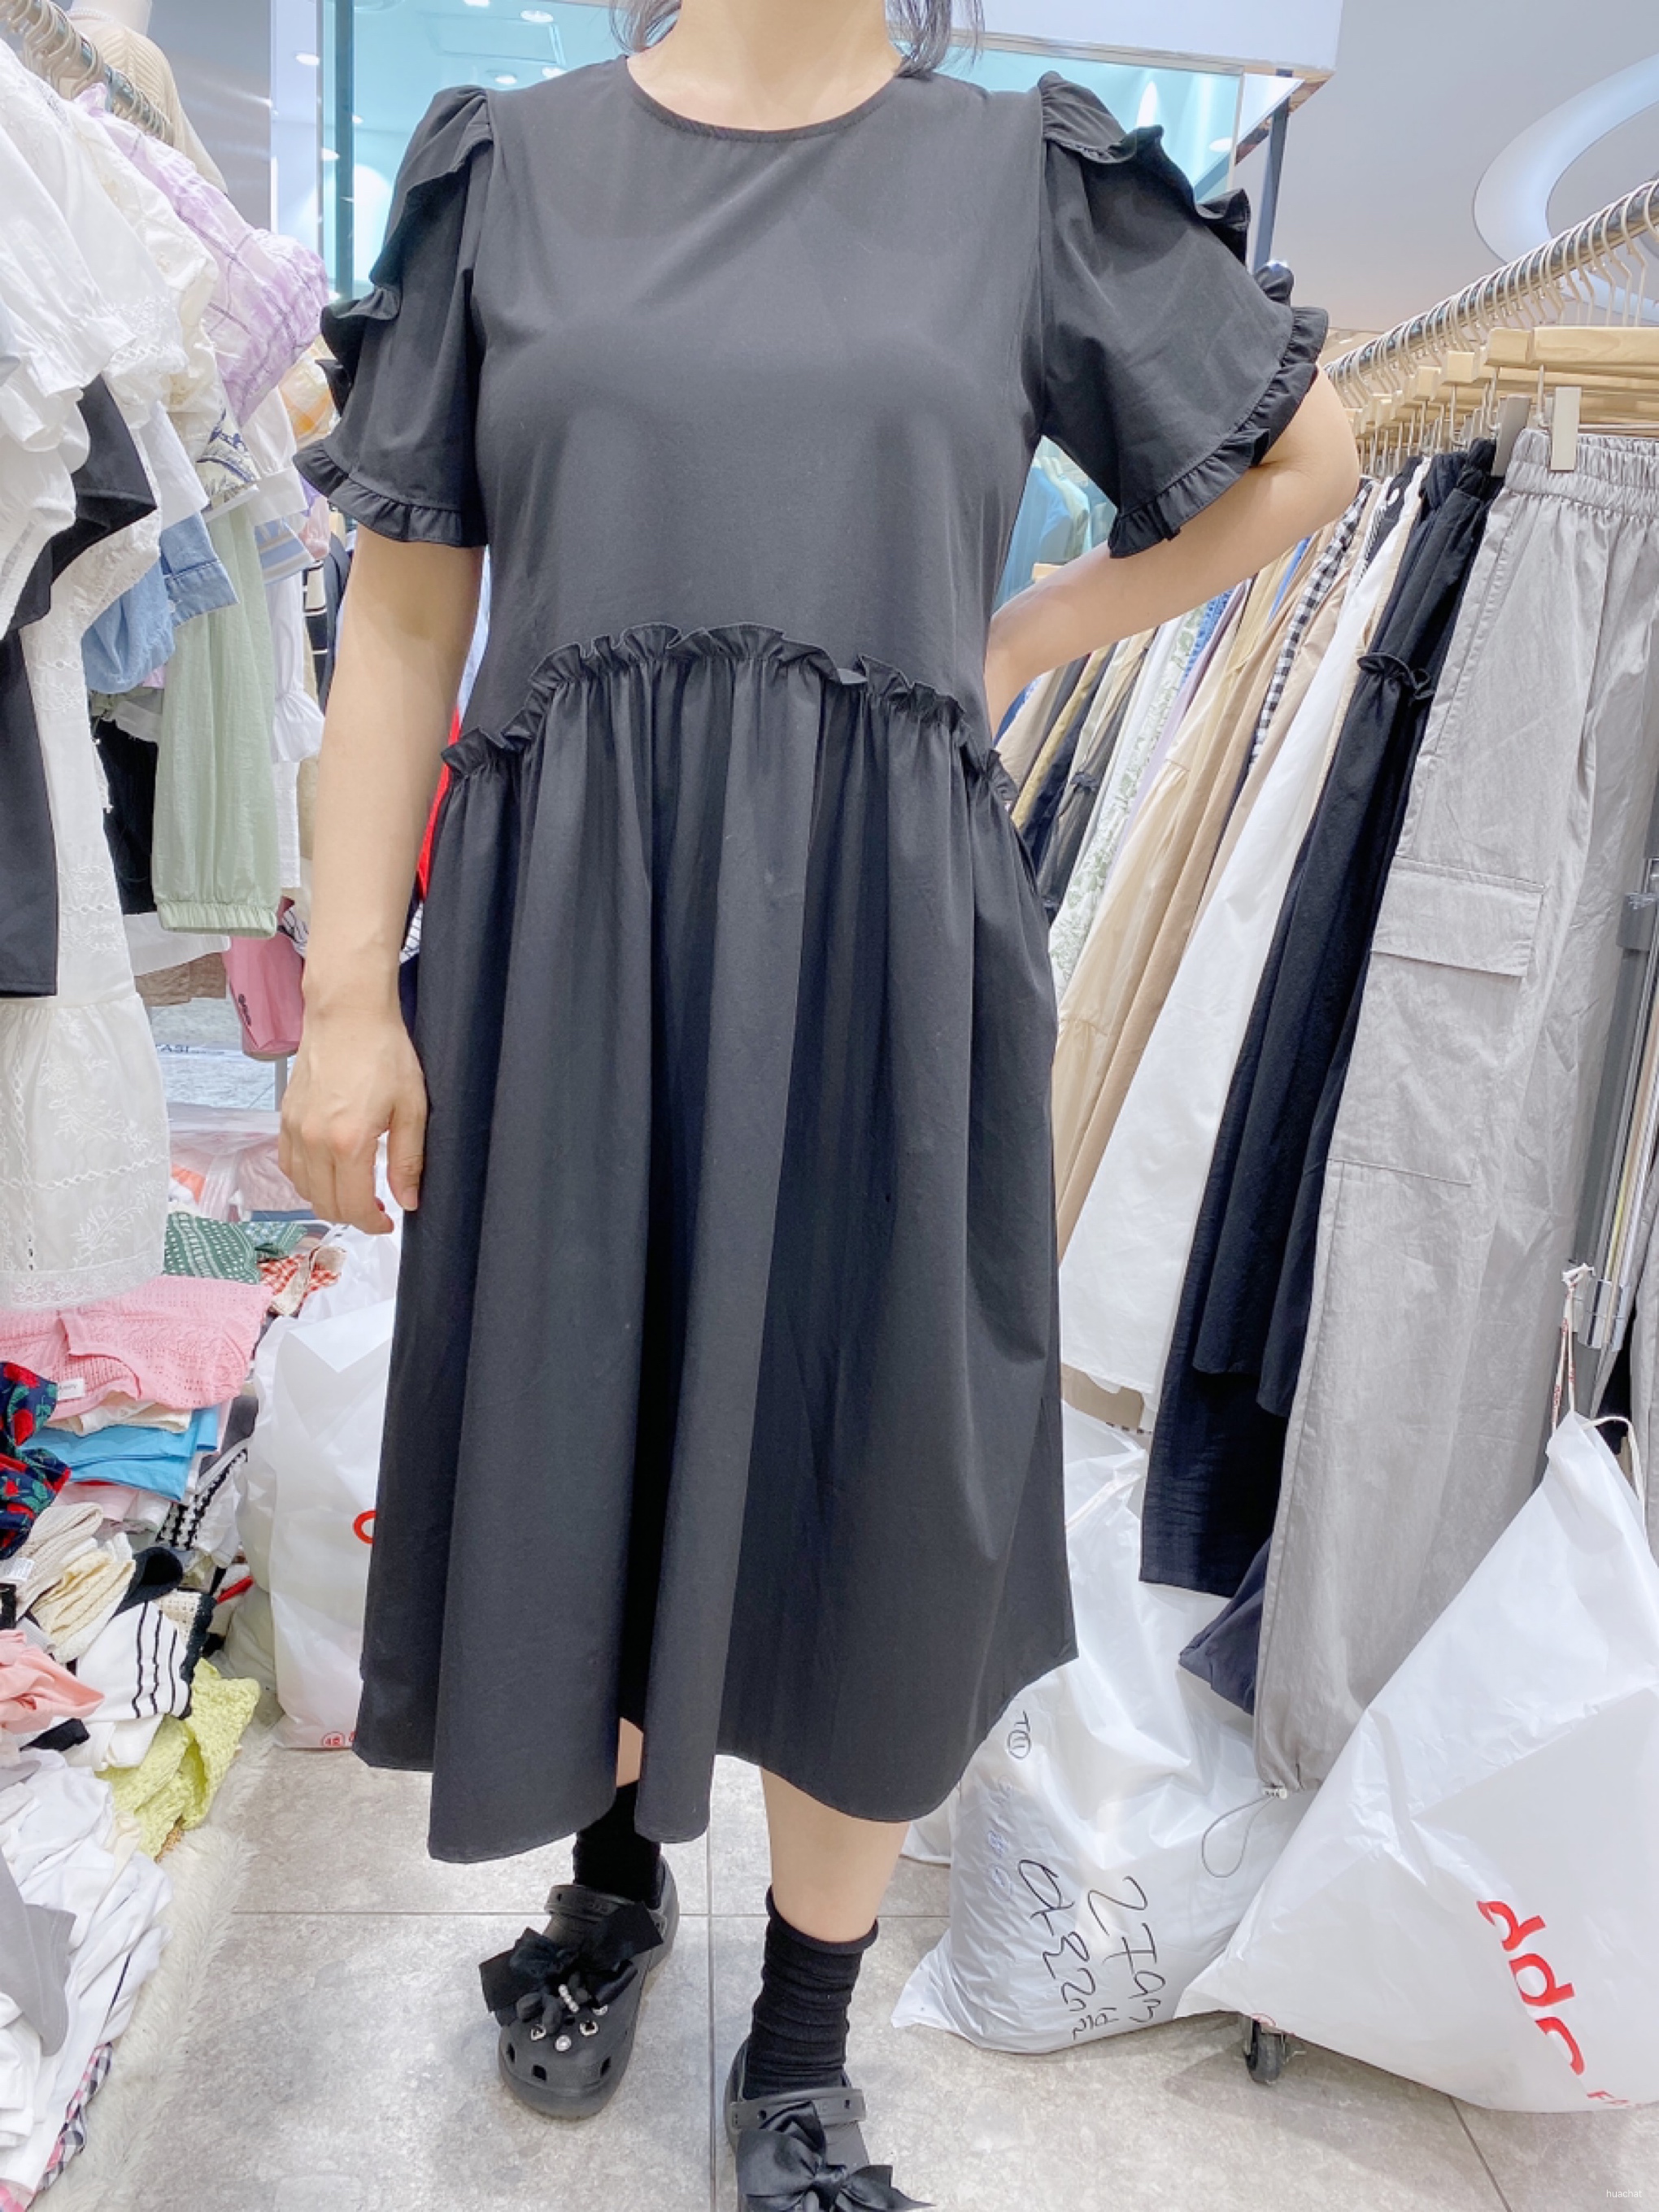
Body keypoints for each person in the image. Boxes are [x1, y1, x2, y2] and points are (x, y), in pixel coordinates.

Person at [280, 0, 1359, 2200]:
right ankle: (607, 1888)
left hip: (880, 939)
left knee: (869, 1470)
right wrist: (345, 999)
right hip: (570, 933)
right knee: (591, 1414)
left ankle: (799, 2041)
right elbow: (401, 621)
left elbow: (1308, 457)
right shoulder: (507, 170)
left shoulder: (1022, 181)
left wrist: (1030, 634)